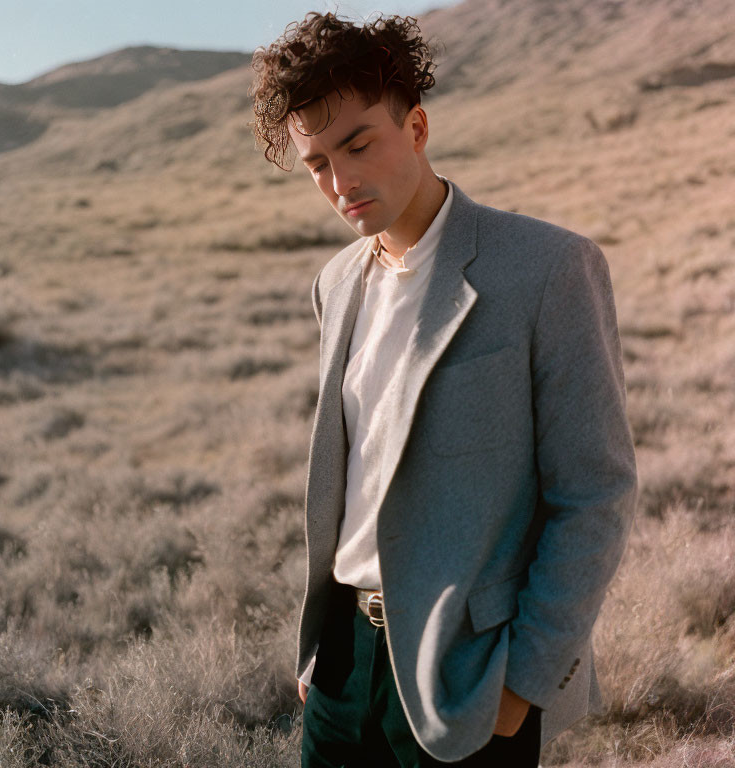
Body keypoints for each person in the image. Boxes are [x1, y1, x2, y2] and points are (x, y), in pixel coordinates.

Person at [249, 11, 637, 767]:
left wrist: (523, 685)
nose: (341, 182)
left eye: (358, 144)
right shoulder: (336, 283)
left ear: (417, 128)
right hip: (338, 669)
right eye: (318, 163)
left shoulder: (546, 269)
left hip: (468, 678)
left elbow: (596, 494)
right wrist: (322, 651)